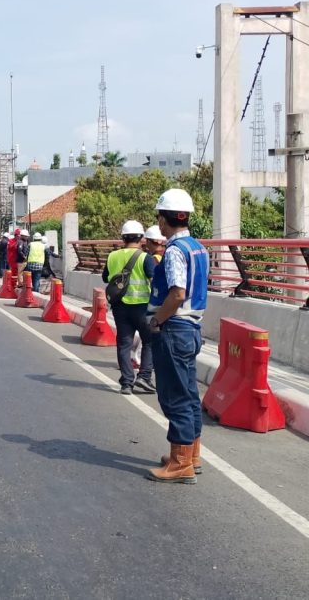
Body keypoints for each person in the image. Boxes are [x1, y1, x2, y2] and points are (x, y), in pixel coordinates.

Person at [145, 189, 209, 484]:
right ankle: (190, 455)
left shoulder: (173, 251)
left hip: (175, 327)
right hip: (192, 328)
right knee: (190, 395)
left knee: (174, 396)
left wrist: (157, 320)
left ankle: (180, 463)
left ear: (163, 219)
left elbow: (177, 294)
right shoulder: (198, 247)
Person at [102, 220, 157, 396]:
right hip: (142, 307)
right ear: (142, 238)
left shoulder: (112, 256)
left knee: (124, 344)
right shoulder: (145, 258)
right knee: (149, 341)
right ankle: (144, 376)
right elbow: (156, 281)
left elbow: (105, 278)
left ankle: (126, 383)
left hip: (120, 307)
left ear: (123, 238)